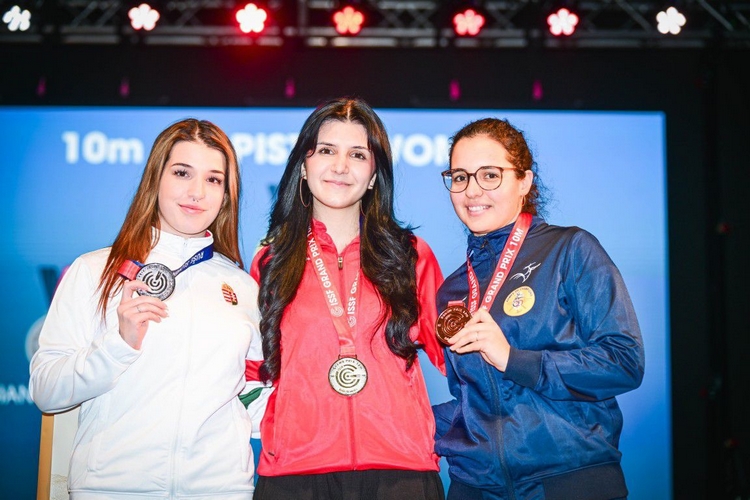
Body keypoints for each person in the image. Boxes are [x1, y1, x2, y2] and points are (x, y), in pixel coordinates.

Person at [29, 118, 270, 499]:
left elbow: (254, 399)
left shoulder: (242, 287)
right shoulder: (94, 271)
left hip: (220, 490)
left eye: (213, 179)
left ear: (226, 195)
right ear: (155, 178)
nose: (197, 192)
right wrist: (118, 346)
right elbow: (46, 389)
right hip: (112, 489)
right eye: (182, 173)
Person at [432, 118, 645, 500]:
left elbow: (624, 361)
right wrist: (405, 418)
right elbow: (472, 401)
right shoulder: (454, 289)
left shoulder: (571, 250)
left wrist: (515, 359)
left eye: (490, 175)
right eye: (460, 177)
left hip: (568, 480)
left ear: (524, 181)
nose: (472, 190)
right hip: (475, 488)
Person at [248, 97, 446, 500]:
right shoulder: (270, 261)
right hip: (294, 474)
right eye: (326, 151)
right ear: (304, 166)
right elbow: (252, 372)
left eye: (357, 154)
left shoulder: (410, 255)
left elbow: (457, 359)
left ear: (373, 175)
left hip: (400, 474)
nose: (340, 166)